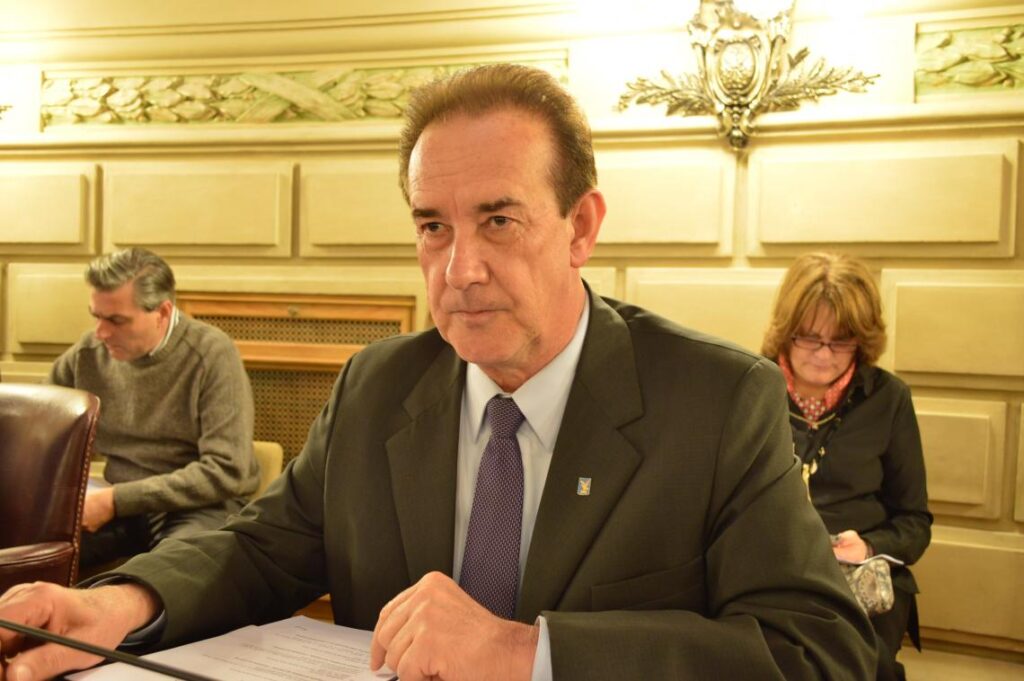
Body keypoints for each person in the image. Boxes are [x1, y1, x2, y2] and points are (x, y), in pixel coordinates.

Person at [0, 65, 876, 681]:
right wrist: (120, 604)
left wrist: (527, 653)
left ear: (581, 227)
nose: (459, 270)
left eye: (498, 220)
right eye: (432, 226)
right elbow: (262, 548)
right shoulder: (377, 386)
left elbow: (816, 650)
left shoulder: (715, 401)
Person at [761, 252, 932, 680]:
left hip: (859, 580)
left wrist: (868, 547)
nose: (824, 354)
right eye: (809, 338)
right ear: (786, 329)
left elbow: (914, 522)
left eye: (841, 341)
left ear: (862, 338)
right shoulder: (752, 386)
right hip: (771, 573)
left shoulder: (888, 398)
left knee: (848, 664)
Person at [47, 247, 259, 570]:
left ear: (162, 312)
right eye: (96, 316)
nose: (101, 332)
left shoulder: (211, 354)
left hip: (199, 507)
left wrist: (116, 500)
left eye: (116, 320)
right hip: (121, 506)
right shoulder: (87, 353)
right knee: (30, 548)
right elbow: (41, 430)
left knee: (169, 571)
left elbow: (227, 471)